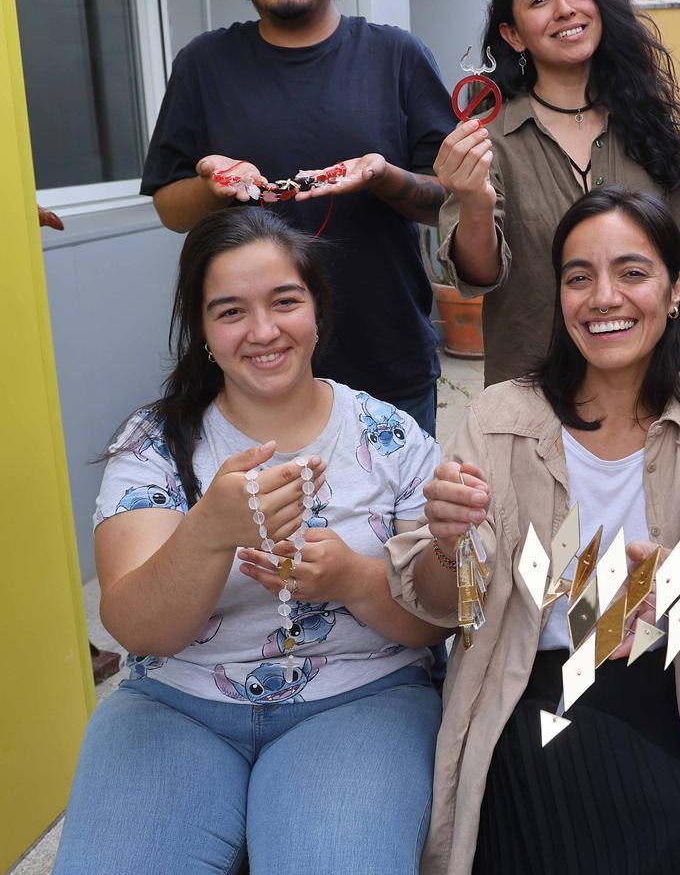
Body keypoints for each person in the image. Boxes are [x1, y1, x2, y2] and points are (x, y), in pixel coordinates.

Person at [388, 189, 680, 875]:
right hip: (532, 692)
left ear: (676, 288)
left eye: (632, 272)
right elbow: (444, 603)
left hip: (670, 691)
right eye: (580, 277)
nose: (604, 297)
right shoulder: (499, 418)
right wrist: (450, 545)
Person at [52, 209, 447, 875]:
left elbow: (437, 621)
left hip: (362, 699)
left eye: (285, 301)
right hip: (176, 705)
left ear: (316, 311)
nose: (263, 331)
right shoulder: (154, 443)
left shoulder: (389, 435)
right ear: (204, 331)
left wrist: (350, 577)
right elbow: (136, 627)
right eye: (230, 311)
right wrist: (209, 531)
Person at [141, 0, 456, 434]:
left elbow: (447, 199)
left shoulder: (396, 56)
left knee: (397, 527)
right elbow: (168, 205)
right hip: (253, 365)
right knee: (264, 524)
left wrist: (384, 178)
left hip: (385, 360)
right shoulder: (204, 64)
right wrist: (217, 188)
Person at [432, 0, 680, 386]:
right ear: (514, 34)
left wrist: (679, 368)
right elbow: (476, 277)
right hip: (531, 394)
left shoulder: (649, 122)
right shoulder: (488, 138)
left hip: (649, 392)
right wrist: (474, 202)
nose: (564, 9)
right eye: (539, 1)